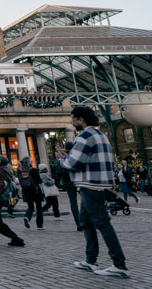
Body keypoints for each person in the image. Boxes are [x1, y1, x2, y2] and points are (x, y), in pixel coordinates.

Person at [59, 106, 129, 278]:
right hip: (97, 183)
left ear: (80, 120)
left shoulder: (84, 136)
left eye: (73, 119)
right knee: (86, 221)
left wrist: (61, 159)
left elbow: (73, 163)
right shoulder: (100, 134)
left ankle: (119, 264)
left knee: (102, 222)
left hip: (91, 184)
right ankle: (90, 260)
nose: (71, 122)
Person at [54, 142, 83, 231]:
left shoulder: (63, 157)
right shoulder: (74, 154)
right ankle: (86, 221)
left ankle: (79, 223)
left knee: (73, 203)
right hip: (78, 180)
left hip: (68, 182)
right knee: (85, 200)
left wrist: (59, 160)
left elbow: (58, 171)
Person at [17, 157, 43, 230]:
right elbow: (39, 181)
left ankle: (27, 216)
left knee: (30, 207)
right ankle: (40, 225)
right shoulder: (33, 170)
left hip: (26, 191)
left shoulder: (20, 171)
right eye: (31, 161)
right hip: (35, 190)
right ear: (28, 162)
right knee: (39, 207)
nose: (32, 161)